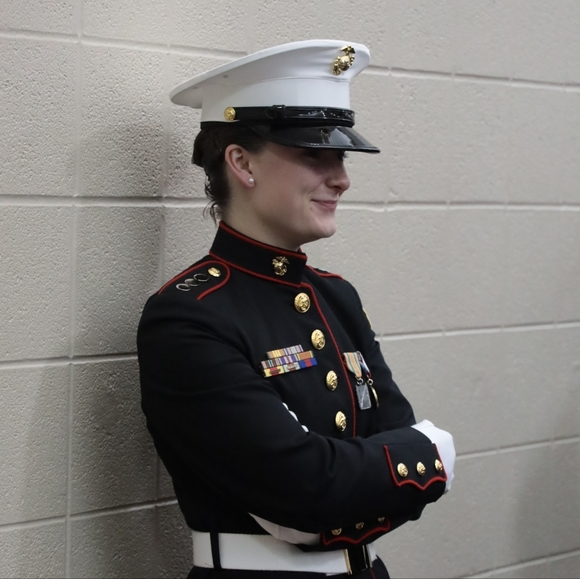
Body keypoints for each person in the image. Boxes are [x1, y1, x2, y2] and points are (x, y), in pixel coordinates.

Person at [137, 40, 455, 579]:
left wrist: (359, 482)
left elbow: (401, 461)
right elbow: (304, 489)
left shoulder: (336, 296)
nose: (342, 178)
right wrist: (423, 454)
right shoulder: (188, 317)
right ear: (241, 163)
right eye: (314, 155)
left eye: (341, 156)